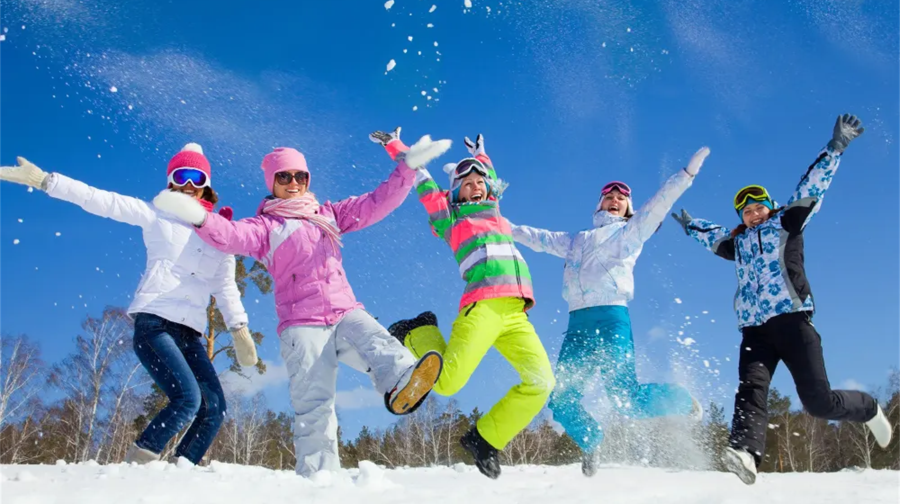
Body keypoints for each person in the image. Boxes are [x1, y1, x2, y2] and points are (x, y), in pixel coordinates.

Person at [153, 134, 452, 477]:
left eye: (300, 176)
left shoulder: (328, 215)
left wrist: (407, 169)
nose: (293, 183)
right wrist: (200, 217)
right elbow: (231, 235)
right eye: (284, 177)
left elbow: (376, 203)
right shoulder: (265, 227)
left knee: (379, 341)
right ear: (272, 182)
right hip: (302, 324)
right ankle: (319, 480)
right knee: (315, 405)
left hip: (343, 310)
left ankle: (402, 382)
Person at [0, 143, 257, 465]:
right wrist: (46, 180)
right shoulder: (156, 214)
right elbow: (101, 200)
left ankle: (182, 474)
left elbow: (226, 286)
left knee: (214, 408)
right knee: (187, 399)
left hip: (190, 333)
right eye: (182, 175)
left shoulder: (220, 234)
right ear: (171, 182)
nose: (189, 185)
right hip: (156, 322)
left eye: (197, 176)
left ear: (207, 182)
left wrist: (239, 327)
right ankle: (137, 466)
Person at [670, 114, 892, 484]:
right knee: (751, 387)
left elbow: (811, 188)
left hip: (793, 321)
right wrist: (692, 226)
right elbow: (713, 237)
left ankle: (867, 407)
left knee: (818, 403)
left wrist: (835, 148)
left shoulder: (787, 224)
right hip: (755, 331)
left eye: (759, 206)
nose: (753, 214)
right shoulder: (737, 244)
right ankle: (745, 452)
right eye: (746, 210)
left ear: (769, 207)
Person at [508, 147, 710, 476]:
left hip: (612, 320)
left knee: (625, 399)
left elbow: (658, 205)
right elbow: (539, 238)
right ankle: (592, 441)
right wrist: (502, 225)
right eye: (608, 196)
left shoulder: (630, 233)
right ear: (598, 204)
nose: (614, 199)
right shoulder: (577, 240)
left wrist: (684, 177)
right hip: (577, 328)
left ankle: (683, 401)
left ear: (629, 207)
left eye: (621, 197)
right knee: (561, 401)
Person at [374, 128, 555, 480]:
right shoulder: (451, 218)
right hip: (483, 307)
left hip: (517, 315)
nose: (474, 185)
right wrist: (397, 146)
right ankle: (417, 331)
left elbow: (488, 174)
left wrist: (481, 155)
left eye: (479, 181)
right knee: (445, 383)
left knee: (541, 382)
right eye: (466, 181)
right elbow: (422, 180)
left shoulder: (496, 213)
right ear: (455, 191)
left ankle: (485, 439)